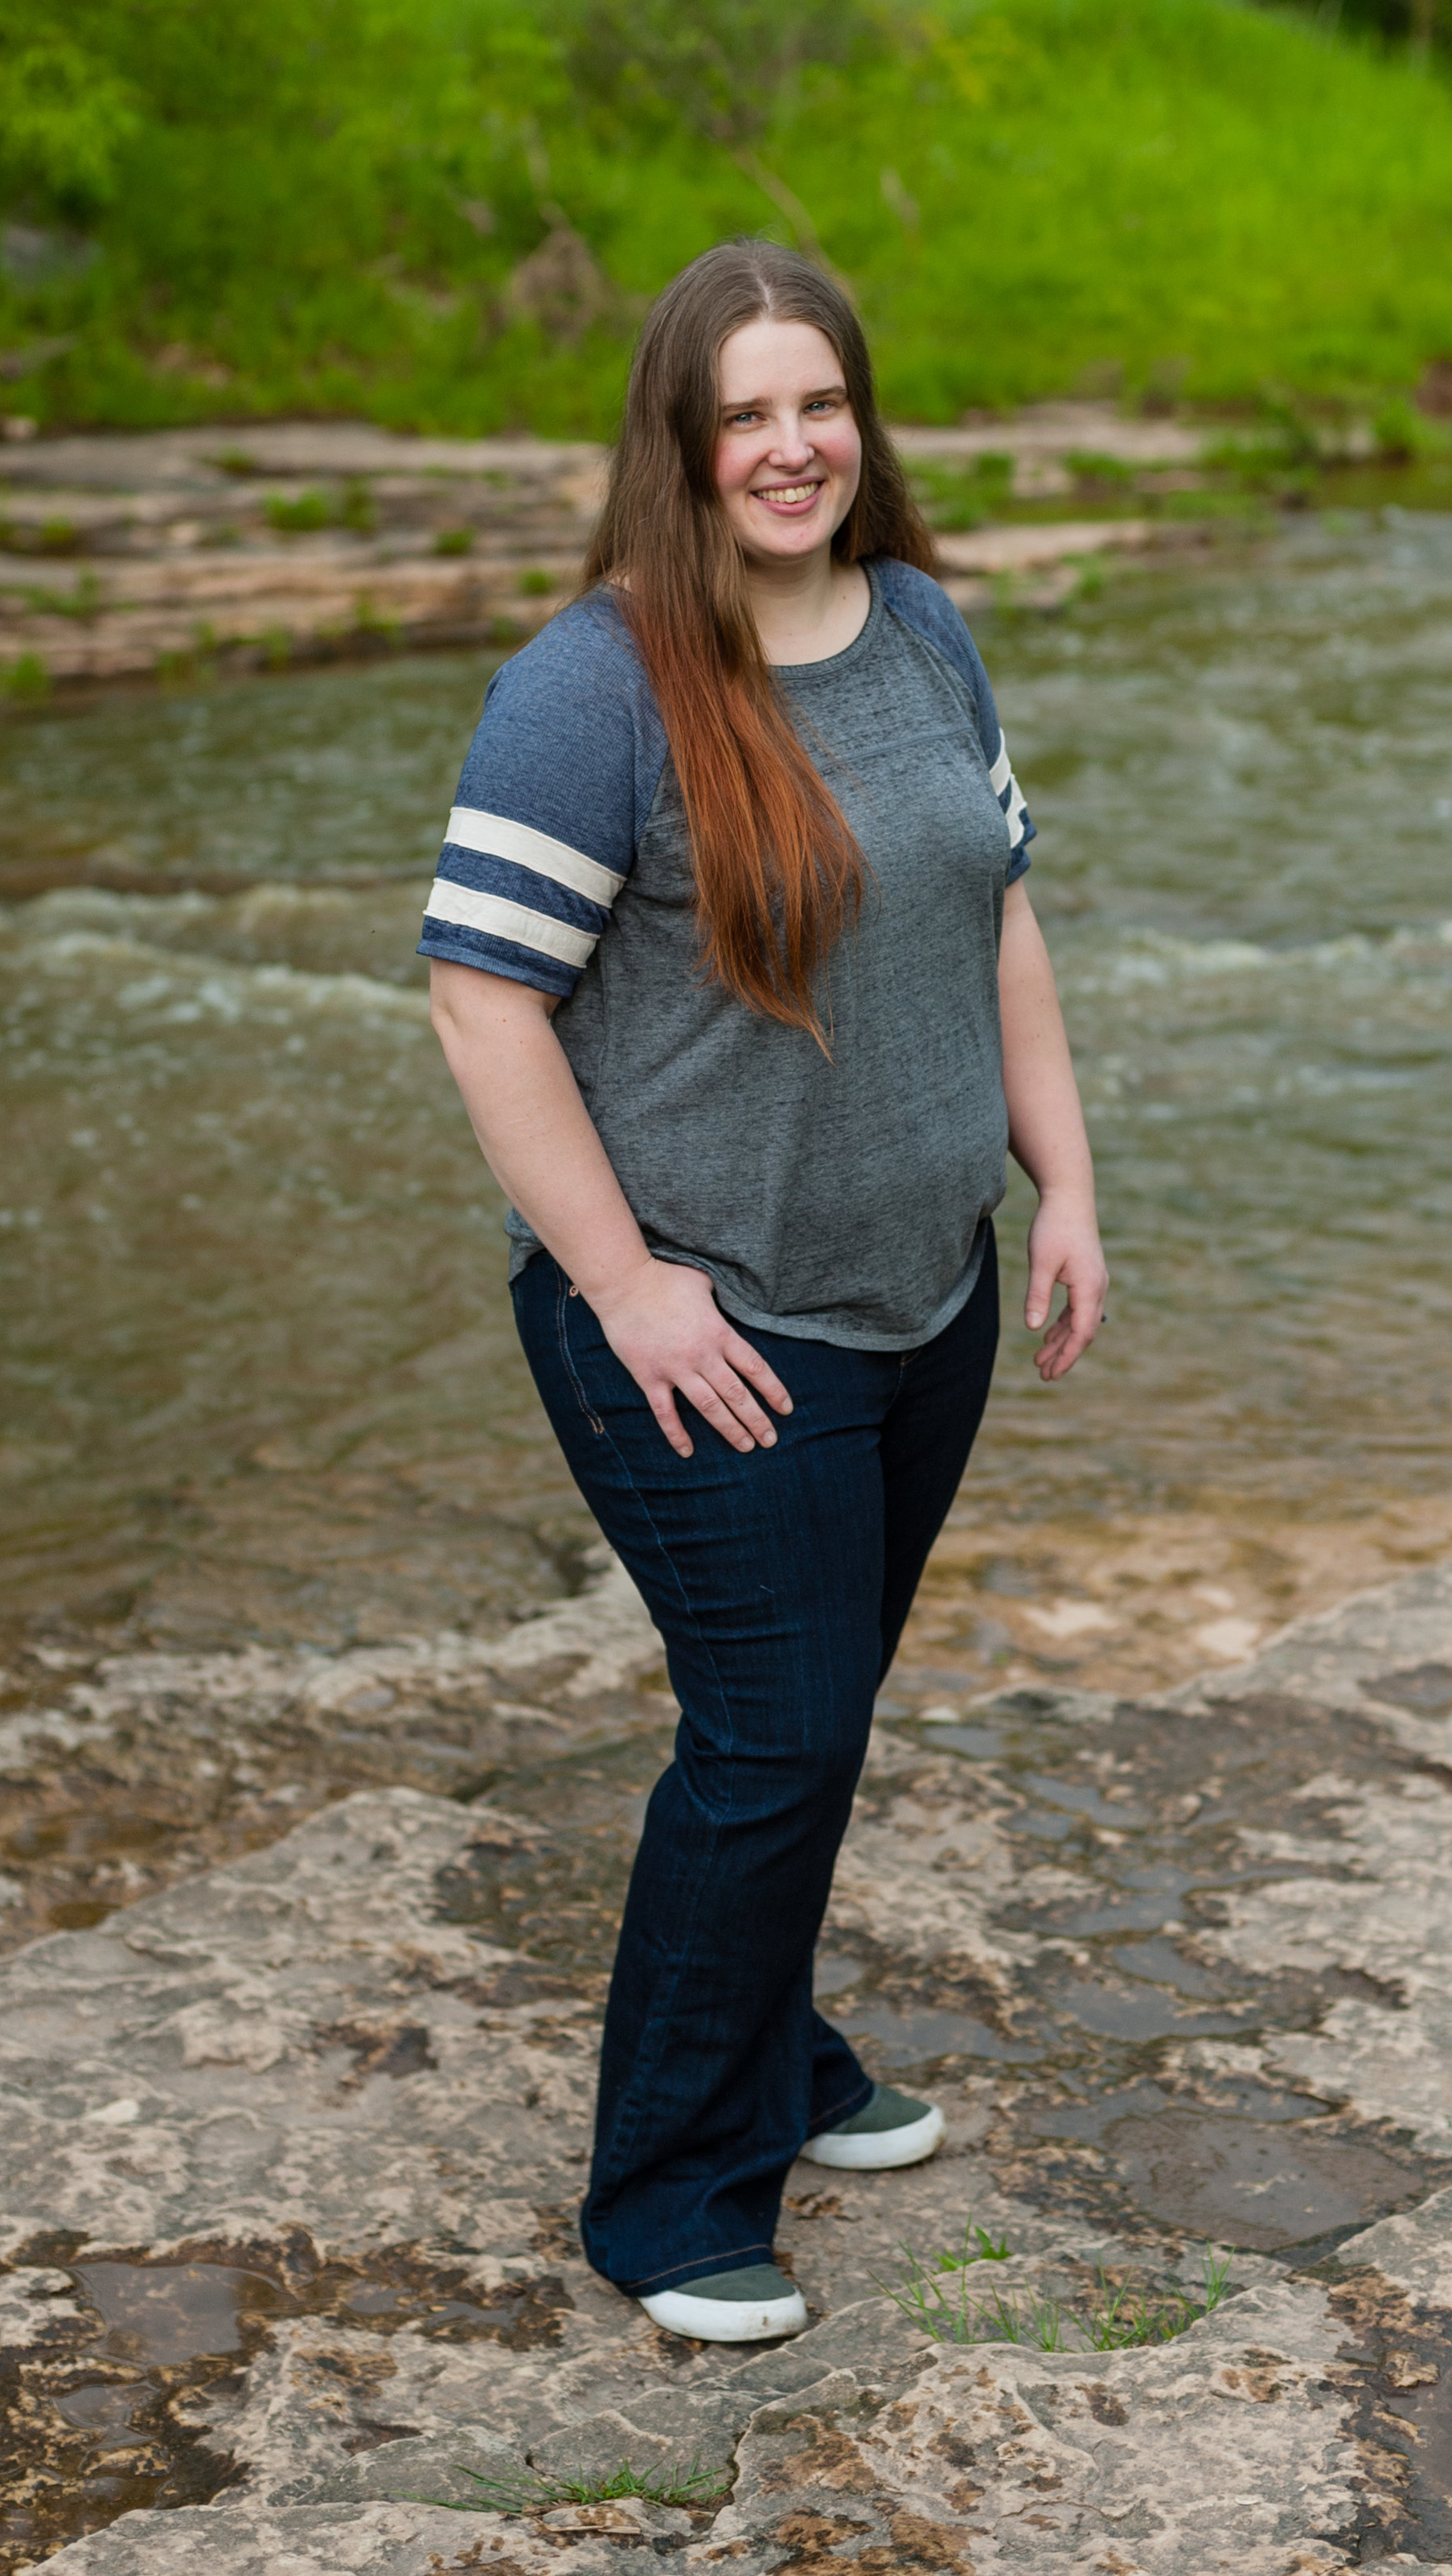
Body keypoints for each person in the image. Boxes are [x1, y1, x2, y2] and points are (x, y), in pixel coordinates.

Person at [422, 238, 1106, 2344]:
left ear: (857, 423)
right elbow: (478, 1001)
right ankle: (665, 2192)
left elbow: (993, 915)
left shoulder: (914, 628)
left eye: (819, 403)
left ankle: (775, 2066)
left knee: (808, 1729)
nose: (790, 443)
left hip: (923, 1293)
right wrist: (622, 1285)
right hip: (711, 1325)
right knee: (770, 1733)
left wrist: (1060, 1176)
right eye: (746, 414)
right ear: (682, 444)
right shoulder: (593, 686)